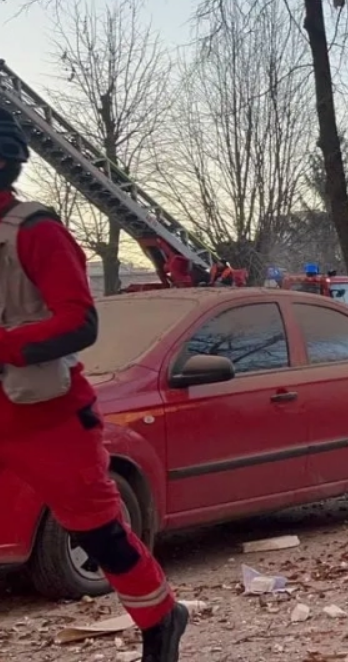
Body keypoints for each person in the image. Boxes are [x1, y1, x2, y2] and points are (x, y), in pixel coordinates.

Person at [0, 110, 188, 662]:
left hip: (48, 418)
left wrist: (5, 344)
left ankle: (161, 619)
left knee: (98, 531)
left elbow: (80, 322)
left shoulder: (35, 232)